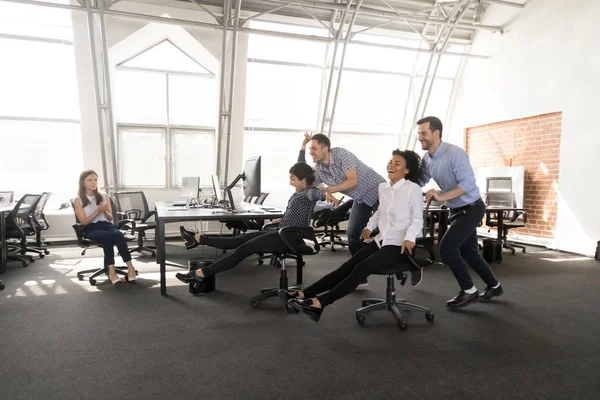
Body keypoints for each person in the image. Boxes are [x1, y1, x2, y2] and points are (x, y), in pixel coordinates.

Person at [288, 150, 425, 322]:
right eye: (390, 162)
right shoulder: (383, 188)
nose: (391, 166)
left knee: (361, 268)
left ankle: (320, 303)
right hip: (381, 240)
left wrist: (410, 237)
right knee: (347, 266)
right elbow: (380, 212)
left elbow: (418, 220)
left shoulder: (413, 189)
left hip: (400, 244)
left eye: (397, 164)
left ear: (407, 170)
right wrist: (368, 227)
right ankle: (303, 294)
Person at [176, 163, 325, 286]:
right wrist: (303, 147)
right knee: (238, 240)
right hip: (282, 231)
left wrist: (328, 192)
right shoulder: (300, 190)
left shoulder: (308, 192)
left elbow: (318, 194)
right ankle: (197, 238)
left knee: (242, 249)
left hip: (288, 237)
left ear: (304, 181)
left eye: (293, 179)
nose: (290, 182)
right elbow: (301, 166)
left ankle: (201, 274)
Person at [417, 116, 503, 308]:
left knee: (447, 249)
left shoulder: (455, 154)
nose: (420, 137)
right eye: (418, 134)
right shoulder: (427, 158)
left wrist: (441, 195)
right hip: (457, 210)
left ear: (436, 133)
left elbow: (467, 184)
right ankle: (494, 286)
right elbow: (420, 181)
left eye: (424, 133)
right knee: (470, 252)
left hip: (471, 208)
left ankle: (468, 290)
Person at [299, 132, 386, 286]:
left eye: (313, 148)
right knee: (352, 235)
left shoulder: (340, 154)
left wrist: (329, 189)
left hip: (380, 192)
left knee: (389, 233)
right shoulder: (318, 168)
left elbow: (352, 181)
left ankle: (406, 265)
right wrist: (302, 148)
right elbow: (304, 179)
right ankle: (361, 274)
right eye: (310, 149)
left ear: (325, 149)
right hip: (361, 199)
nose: (311, 152)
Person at [73, 170, 136, 285]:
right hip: (90, 228)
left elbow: (110, 218)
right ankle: (112, 271)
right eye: (90, 180)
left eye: (95, 180)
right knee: (106, 236)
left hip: (106, 224)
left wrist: (105, 211)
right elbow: (83, 222)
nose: (93, 183)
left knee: (117, 234)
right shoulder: (77, 200)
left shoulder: (103, 196)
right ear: (83, 182)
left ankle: (130, 267)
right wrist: (98, 211)